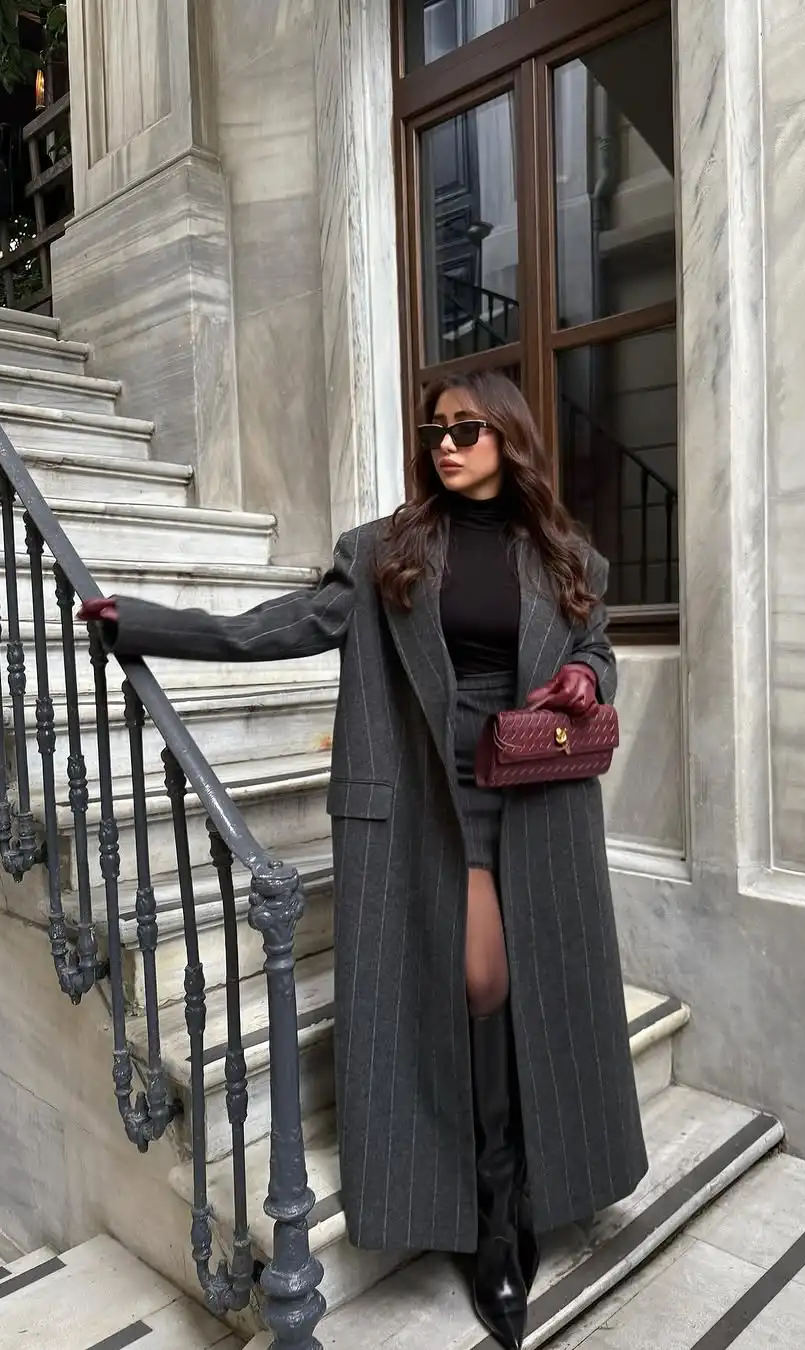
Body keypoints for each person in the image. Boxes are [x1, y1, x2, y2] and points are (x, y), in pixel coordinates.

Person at [78, 371, 647, 1349]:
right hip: (429, 798)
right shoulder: (387, 552)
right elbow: (282, 626)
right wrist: (149, 625)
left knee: (537, 996)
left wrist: (586, 680)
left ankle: (521, 1199)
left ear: (510, 439)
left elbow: (596, 647)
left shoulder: (560, 555)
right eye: (437, 429)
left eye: (467, 428)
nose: (446, 444)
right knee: (480, 982)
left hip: (535, 795)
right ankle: (494, 1214)